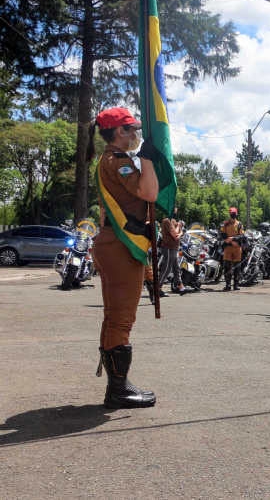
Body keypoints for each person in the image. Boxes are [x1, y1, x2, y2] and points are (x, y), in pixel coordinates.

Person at [86, 107, 158, 409]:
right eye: (132, 129)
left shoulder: (107, 161)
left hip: (111, 242)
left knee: (113, 316)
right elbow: (149, 192)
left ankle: (117, 386)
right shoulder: (119, 162)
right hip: (120, 246)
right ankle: (117, 390)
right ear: (120, 133)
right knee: (121, 318)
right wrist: (148, 159)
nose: (136, 134)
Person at [158, 207, 186, 297]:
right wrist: (178, 227)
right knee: (167, 269)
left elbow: (180, 233)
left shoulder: (173, 221)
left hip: (174, 248)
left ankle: (181, 288)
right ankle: (157, 288)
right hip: (168, 248)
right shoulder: (167, 221)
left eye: (176, 211)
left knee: (176, 268)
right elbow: (174, 234)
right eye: (174, 211)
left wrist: (179, 233)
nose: (175, 213)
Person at [220, 207, 245, 291]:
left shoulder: (239, 224)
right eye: (232, 213)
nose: (233, 215)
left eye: (234, 213)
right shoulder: (225, 223)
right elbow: (222, 235)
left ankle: (236, 285)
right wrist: (231, 241)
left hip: (237, 248)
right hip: (228, 247)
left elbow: (242, 235)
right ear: (229, 214)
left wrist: (233, 239)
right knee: (227, 266)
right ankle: (228, 285)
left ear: (237, 214)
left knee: (237, 267)